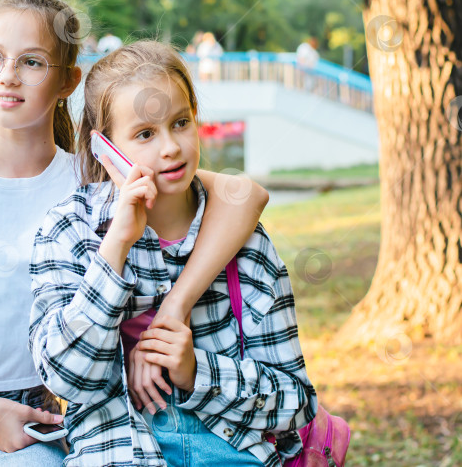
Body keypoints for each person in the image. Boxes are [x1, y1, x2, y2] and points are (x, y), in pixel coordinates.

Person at [0, 0, 269, 466]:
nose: (7, 75)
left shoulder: (97, 183)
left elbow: (244, 195)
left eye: (32, 62)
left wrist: (175, 307)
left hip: (33, 417)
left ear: (68, 80)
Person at [29, 40, 318, 466]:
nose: (170, 147)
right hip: (118, 451)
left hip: (231, 450)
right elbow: (66, 378)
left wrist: (195, 371)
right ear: (104, 147)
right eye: (145, 134)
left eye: (180, 123)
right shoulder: (69, 230)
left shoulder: (247, 244)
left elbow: (296, 402)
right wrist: (115, 248)